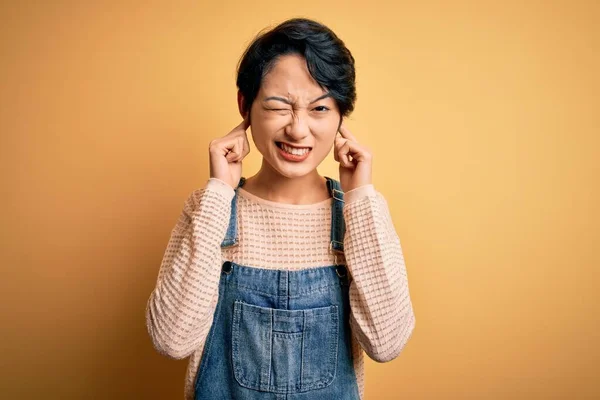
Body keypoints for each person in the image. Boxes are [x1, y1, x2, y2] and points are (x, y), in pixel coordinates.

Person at [145, 17, 416, 400]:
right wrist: (219, 192)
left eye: (320, 109)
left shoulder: (361, 214)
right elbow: (171, 340)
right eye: (279, 106)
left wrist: (359, 199)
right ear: (246, 104)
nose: (298, 130)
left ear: (341, 116)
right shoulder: (209, 208)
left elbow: (386, 344)